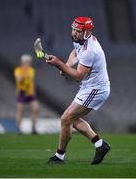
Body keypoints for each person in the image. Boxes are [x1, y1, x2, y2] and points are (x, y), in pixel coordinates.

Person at [46, 17, 110, 165]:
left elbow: (78, 76)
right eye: (73, 29)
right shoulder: (80, 40)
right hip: (90, 87)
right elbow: (75, 53)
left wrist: (59, 64)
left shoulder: (91, 50)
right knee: (72, 120)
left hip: (96, 89)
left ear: (86, 32)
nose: (74, 33)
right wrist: (67, 65)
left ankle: (59, 157)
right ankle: (100, 145)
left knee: (66, 118)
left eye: (78, 31)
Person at [14, 54, 39, 134]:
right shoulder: (17, 70)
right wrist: (24, 72)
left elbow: (29, 79)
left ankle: (33, 128)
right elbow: (19, 79)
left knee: (35, 108)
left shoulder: (31, 70)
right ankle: (18, 128)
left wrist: (24, 73)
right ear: (23, 62)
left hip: (30, 93)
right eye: (27, 62)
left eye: (29, 62)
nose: (28, 63)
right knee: (20, 110)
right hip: (21, 93)